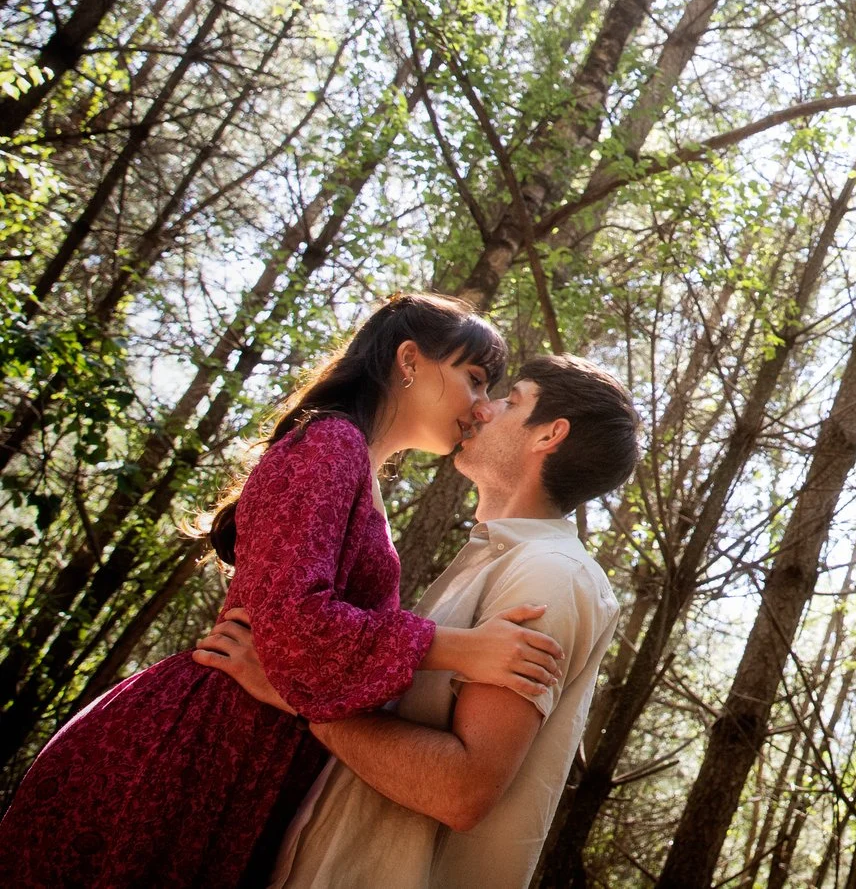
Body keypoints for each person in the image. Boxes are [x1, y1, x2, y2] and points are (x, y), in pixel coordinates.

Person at [0, 294, 568, 889]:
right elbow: (293, 624)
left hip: (239, 760)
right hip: (190, 753)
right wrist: (461, 650)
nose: (481, 408)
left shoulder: (351, 463)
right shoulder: (329, 444)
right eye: (474, 381)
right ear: (409, 361)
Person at [196, 354, 639, 889]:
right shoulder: (494, 562)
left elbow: (461, 789)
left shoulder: (551, 576)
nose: (482, 409)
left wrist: (295, 696)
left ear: (549, 434)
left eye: (510, 400)